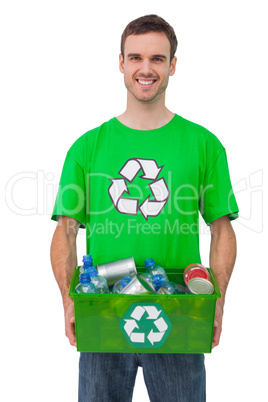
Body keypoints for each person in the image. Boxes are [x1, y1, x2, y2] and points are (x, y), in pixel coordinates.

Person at [50, 14, 238, 402]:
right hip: (102, 312)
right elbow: (66, 230)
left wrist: (216, 301)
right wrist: (70, 300)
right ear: (121, 63)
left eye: (157, 58)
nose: (145, 68)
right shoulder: (87, 148)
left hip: (181, 312)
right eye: (135, 57)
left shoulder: (204, 145)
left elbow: (222, 229)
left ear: (172, 65)